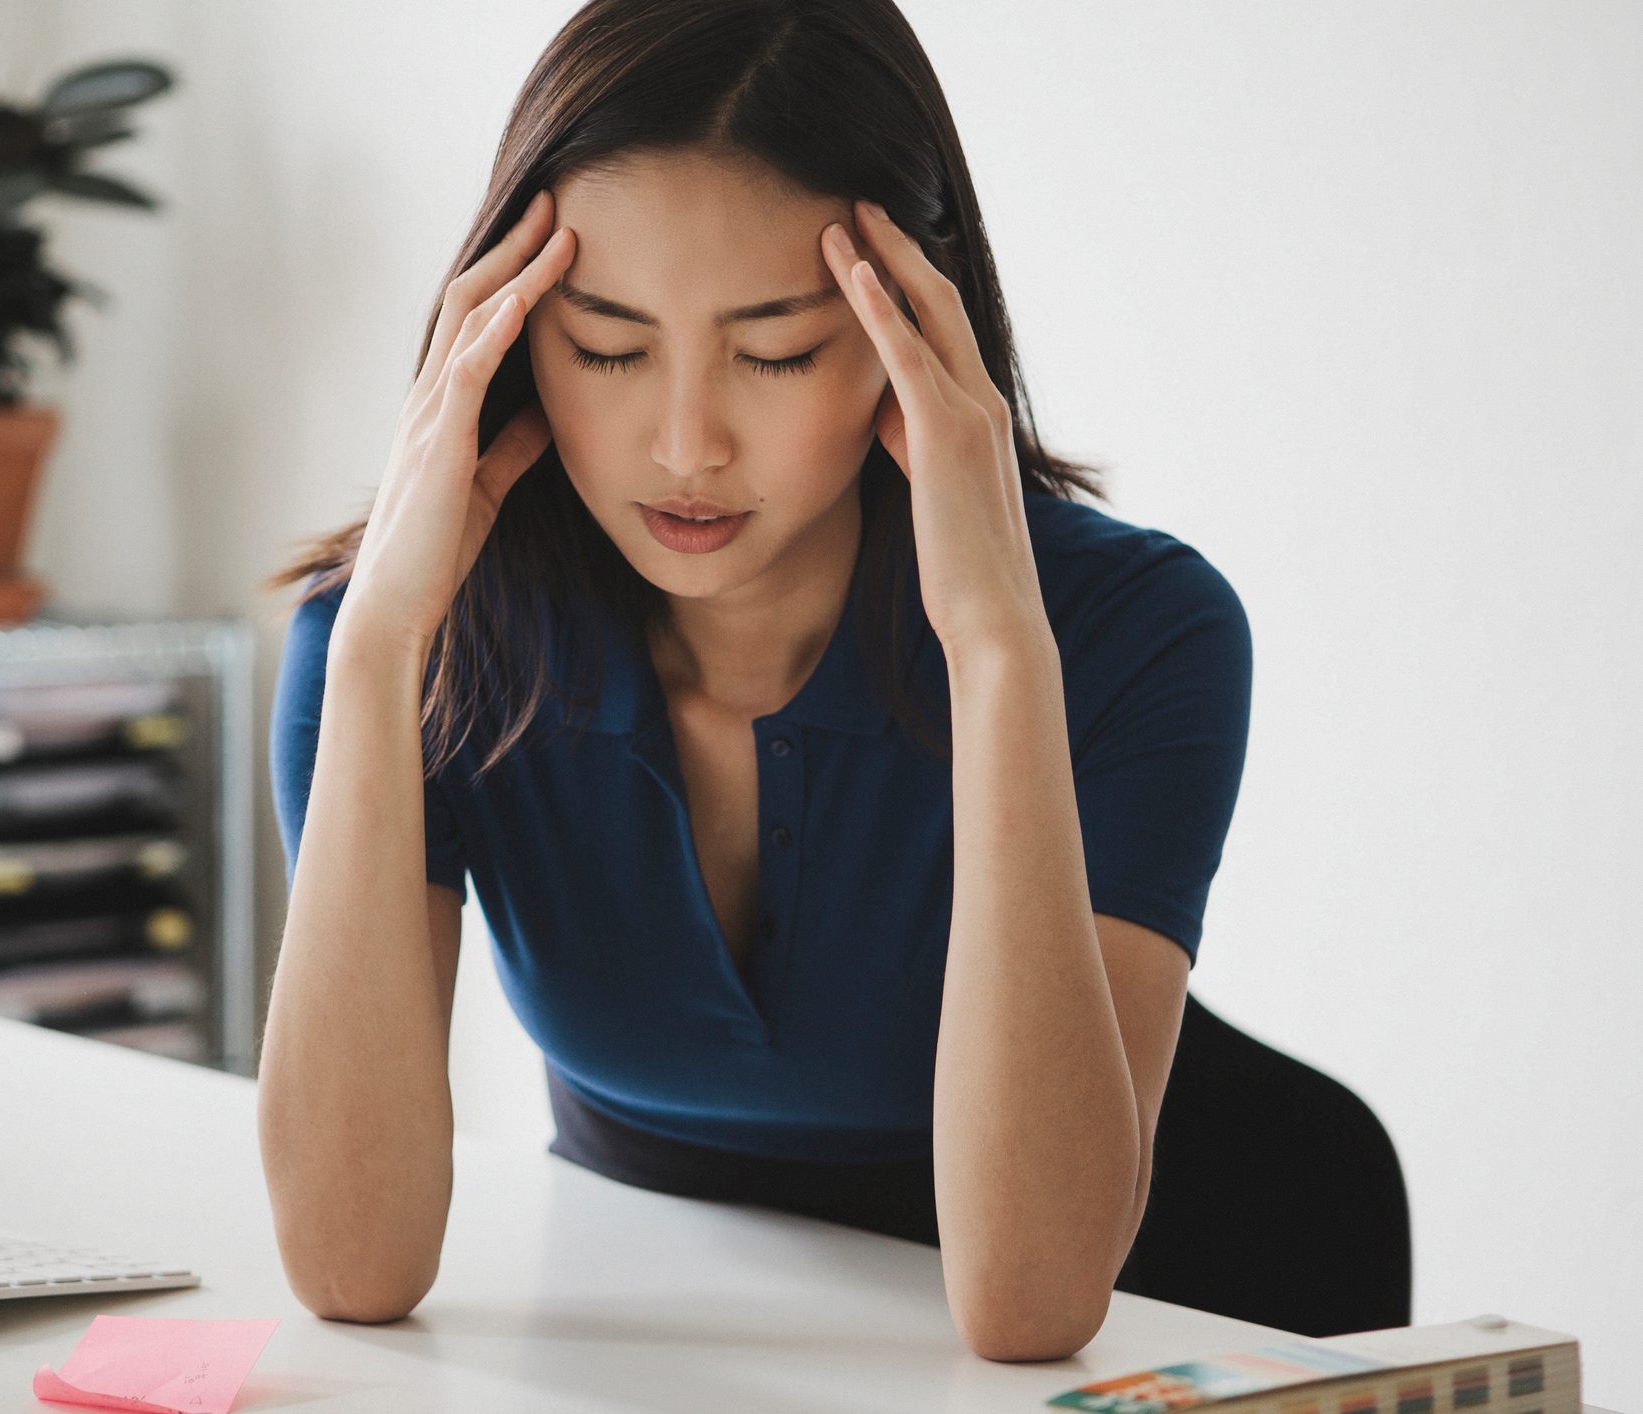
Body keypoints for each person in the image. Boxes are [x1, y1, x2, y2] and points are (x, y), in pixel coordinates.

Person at [257, 0, 1252, 1363]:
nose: (683, 445)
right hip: (634, 1356)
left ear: (917, 325)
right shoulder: (401, 645)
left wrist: (998, 648)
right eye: (605, 344)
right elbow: (348, 1263)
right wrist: (378, 650)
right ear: (496, 331)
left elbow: (1030, 1304)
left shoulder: (1138, 629)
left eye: (776, 352)